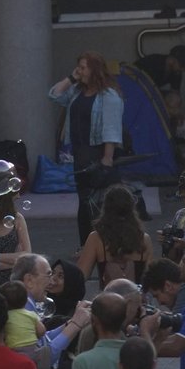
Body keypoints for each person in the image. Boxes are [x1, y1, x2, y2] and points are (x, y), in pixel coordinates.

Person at [49, 52, 125, 245]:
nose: (80, 71)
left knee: (100, 201)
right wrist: (71, 78)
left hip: (97, 151)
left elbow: (111, 128)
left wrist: (107, 159)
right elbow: (54, 95)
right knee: (84, 201)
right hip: (80, 151)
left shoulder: (108, 96)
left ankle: (106, 243)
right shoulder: (76, 92)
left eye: (83, 68)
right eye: (79, 67)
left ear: (94, 70)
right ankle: (87, 244)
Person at [77, 185, 153, 288]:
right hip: (136, 301)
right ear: (131, 208)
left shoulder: (96, 238)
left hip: (107, 302)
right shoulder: (144, 239)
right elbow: (150, 279)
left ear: (105, 207)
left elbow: (80, 276)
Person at [0, 280, 45, 354]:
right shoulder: (31, 314)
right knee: (45, 351)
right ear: (26, 300)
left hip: (13, 350)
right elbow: (42, 331)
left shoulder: (4, 317)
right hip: (33, 348)